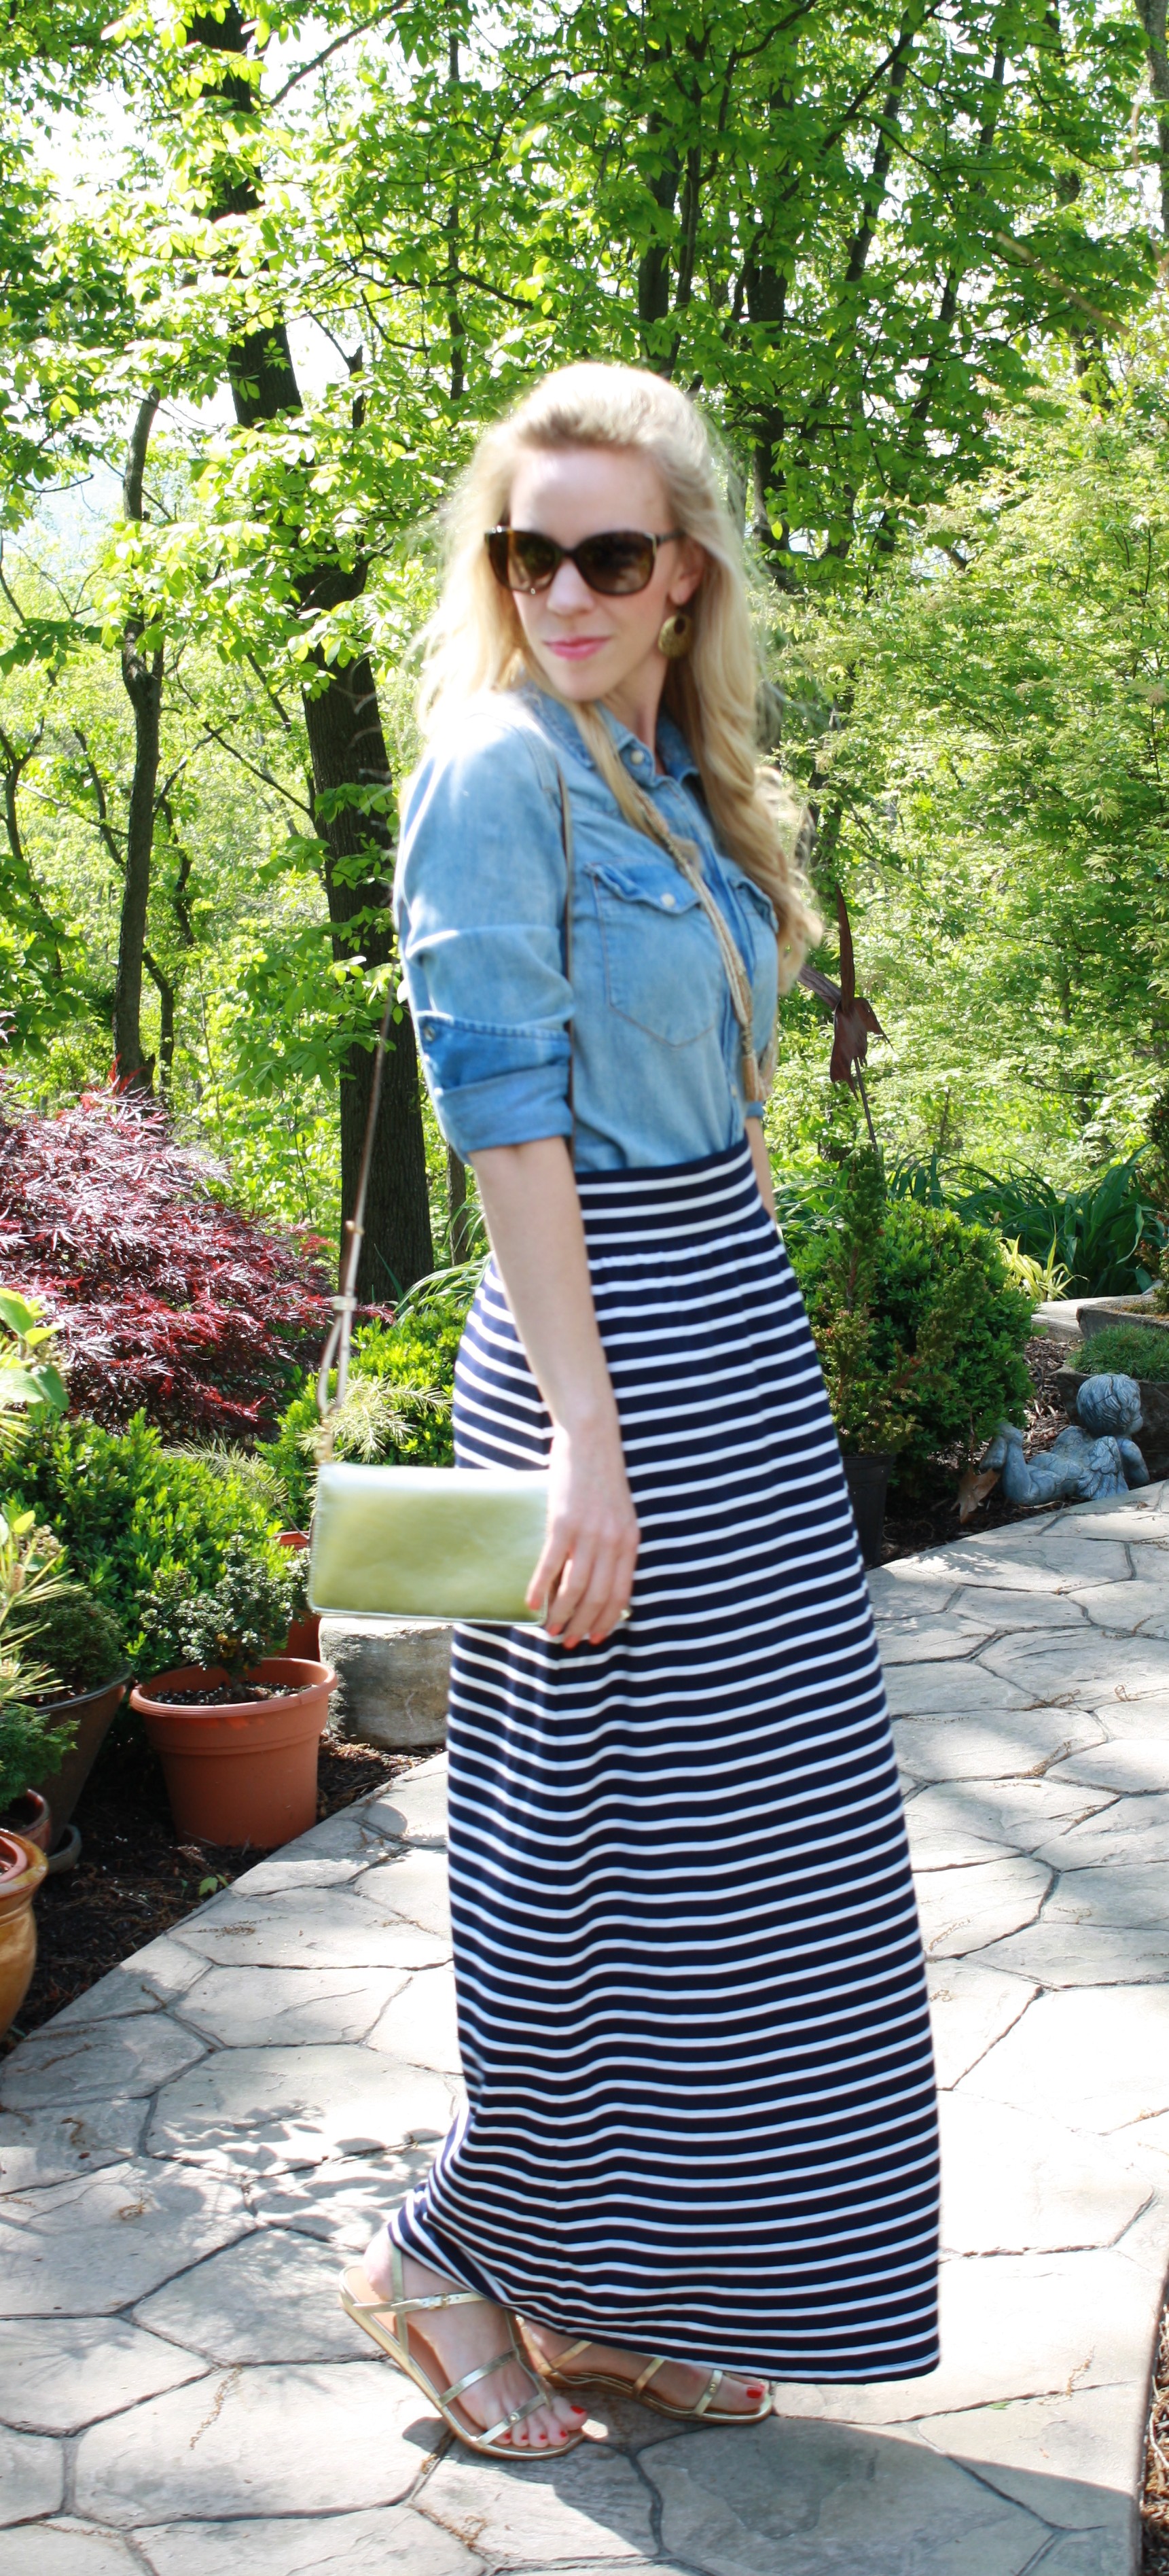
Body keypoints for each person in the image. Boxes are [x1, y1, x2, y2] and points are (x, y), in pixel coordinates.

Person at [340, 361, 939, 2456]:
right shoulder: (498, 768)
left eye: (609, 551)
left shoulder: (663, 773)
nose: (566, 586)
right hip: (601, 1349)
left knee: (759, 1869)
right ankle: (446, 2255)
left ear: (682, 573)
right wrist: (586, 1441)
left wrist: (740, 1359)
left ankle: (602, 2289)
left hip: (728, 1334)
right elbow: (501, 1116)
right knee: (598, 1872)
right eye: (532, 551)